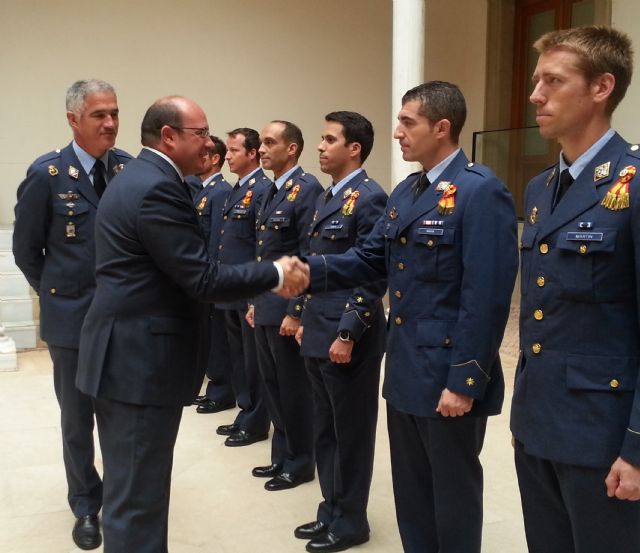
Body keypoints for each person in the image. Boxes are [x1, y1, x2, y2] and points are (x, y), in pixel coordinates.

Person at [74, 96, 308, 553]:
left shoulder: (139, 177)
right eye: (199, 132)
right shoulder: (158, 188)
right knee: (137, 502)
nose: (207, 142)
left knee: (133, 494)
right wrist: (278, 273)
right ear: (169, 136)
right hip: (139, 365)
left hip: (124, 358)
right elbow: (201, 276)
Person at [304, 82, 518, 552]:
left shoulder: (480, 191)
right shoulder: (407, 190)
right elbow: (368, 260)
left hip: (447, 374)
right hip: (404, 369)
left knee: (452, 494)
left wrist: (465, 381)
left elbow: (485, 298)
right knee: (413, 495)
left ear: (441, 128)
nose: (397, 132)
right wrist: (306, 272)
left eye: (407, 122)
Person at [510, 26, 640, 553]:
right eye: (536, 80)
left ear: (601, 87)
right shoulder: (542, 188)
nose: (535, 95)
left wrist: (636, 447)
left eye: (553, 81)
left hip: (604, 438)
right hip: (539, 423)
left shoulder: (633, 182)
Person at [13, 79, 131, 550]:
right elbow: (26, 251)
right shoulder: (47, 174)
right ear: (73, 120)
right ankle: (86, 505)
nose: (110, 123)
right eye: (99, 114)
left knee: (122, 416)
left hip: (124, 318)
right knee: (77, 420)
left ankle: (121, 498)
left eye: (115, 113)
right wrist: (59, 296)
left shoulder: (129, 170)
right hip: (73, 322)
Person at [293, 111, 387, 552]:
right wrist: (300, 314)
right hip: (317, 328)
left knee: (350, 433)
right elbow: (313, 262)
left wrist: (348, 332)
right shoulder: (328, 196)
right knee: (324, 430)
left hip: (346, 337)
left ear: (354, 148)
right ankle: (330, 508)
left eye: (329, 139)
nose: (320, 146)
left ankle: (351, 522)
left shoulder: (369, 198)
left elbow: (371, 273)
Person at [248, 120, 324, 491]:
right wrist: (253, 301)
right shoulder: (268, 191)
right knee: (273, 386)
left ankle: (300, 460)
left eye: (268, 143)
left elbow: (308, 255)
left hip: (287, 311)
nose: (261, 150)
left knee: (294, 390)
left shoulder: (305, 189)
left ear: (291, 149)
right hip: (265, 305)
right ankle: (281, 455)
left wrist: (297, 311)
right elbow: (265, 253)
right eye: (260, 143)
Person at [215, 128, 273, 445]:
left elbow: (259, 246)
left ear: (251, 153)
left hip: (249, 290)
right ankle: (246, 410)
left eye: (234, 150)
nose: (227, 156)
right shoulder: (238, 189)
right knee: (238, 359)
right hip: (231, 288)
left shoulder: (261, 189)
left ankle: (256, 420)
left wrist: (255, 296)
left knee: (254, 363)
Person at [186, 137, 236, 414]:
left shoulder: (219, 191)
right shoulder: (202, 191)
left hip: (211, 274)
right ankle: (214, 386)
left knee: (218, 339)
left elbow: (217, 237)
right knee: (208, 336)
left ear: (214, 158)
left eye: (203, 154)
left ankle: (222, 390)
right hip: (200, 275)